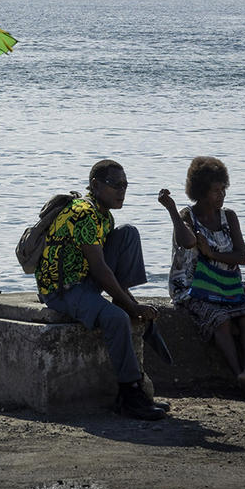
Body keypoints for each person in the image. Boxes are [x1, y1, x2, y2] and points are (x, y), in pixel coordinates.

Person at [34, 159, 170, 420]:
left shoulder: (103, 214)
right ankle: (130, 395)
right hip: (63, 290)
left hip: (84, 280)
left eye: (125, 185)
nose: (122, 191)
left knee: (128, 233)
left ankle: (123, 303)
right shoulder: (84, 212)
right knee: (117, 318)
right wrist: (131, 307)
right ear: (95, 185)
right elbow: (100, 269)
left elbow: (106, 267)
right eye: (115, 185)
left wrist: (130, 301)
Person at [161, 157, 245, 396]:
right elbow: (188, 241)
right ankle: (239, 375)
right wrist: (172, 211)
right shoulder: (187, 216)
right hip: (194, 286)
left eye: (223, 189)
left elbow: (241, 256)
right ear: (200, 192)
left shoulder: (228, 216)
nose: (221, 195)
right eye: (215, 190)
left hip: (226, 284)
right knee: (220, 319)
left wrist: (211, 253)